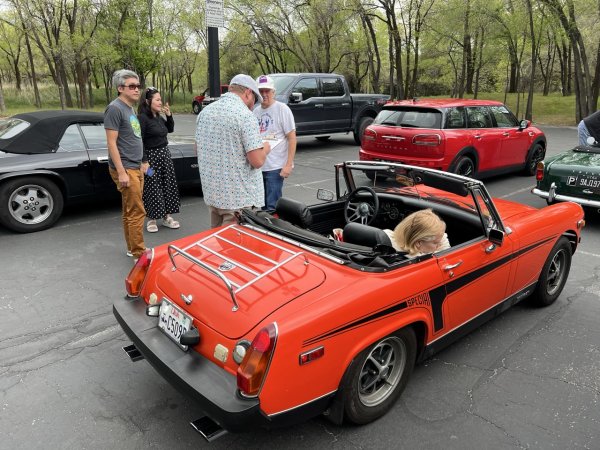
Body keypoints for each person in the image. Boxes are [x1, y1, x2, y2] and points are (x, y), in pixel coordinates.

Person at [195, 74, 271, 228]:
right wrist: (266, 148)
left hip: (214, 196)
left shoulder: (205, 113)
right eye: (254, 99)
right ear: (248, 93)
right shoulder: (245, 116)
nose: (253, 105)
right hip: (239, 201)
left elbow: (198, 149)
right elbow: (257, 161)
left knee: (218, 239)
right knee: (236, 242)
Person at [104, 69, 145, 260]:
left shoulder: (129, 108)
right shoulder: (115, 108)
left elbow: (133, 137)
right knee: (137, 211)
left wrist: (142, 162)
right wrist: (121, 172)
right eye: (132, 86)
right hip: (126, 169)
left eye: (138, 86)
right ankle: (139, 253)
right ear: (120, 88)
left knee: (130, 211)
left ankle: (132, 248)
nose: (137, 89)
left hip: (135, 166)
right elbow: (111, 143)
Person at [137, 87, 181, 233]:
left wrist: (169, 116)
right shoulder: (142, 118)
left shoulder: (158, 117)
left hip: (165, 157)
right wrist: (144, 161)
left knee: (167, 185)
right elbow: (139, 141)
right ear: (147, 101)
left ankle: (167, 217)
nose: (160, 102)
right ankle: (152, 219)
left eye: (160, 99)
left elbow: (170, 129)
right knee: (152, 186)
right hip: (150, 159)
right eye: (157, 99)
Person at [253, 75, 297, 211]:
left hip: (275, 168)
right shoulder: (255, 112)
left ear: (273, 92)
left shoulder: (282, 109)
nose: (264, 94)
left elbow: (292, 138)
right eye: (261, 91)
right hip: (259, 167)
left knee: (272, 208)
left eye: (267, 91)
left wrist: (288, 165)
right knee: (261, 208)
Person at [385, 209, 450, 258]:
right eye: (435, 243)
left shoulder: (385, 235)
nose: (440, 244)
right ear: (418, 243)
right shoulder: (422, 260)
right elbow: (446, 251)